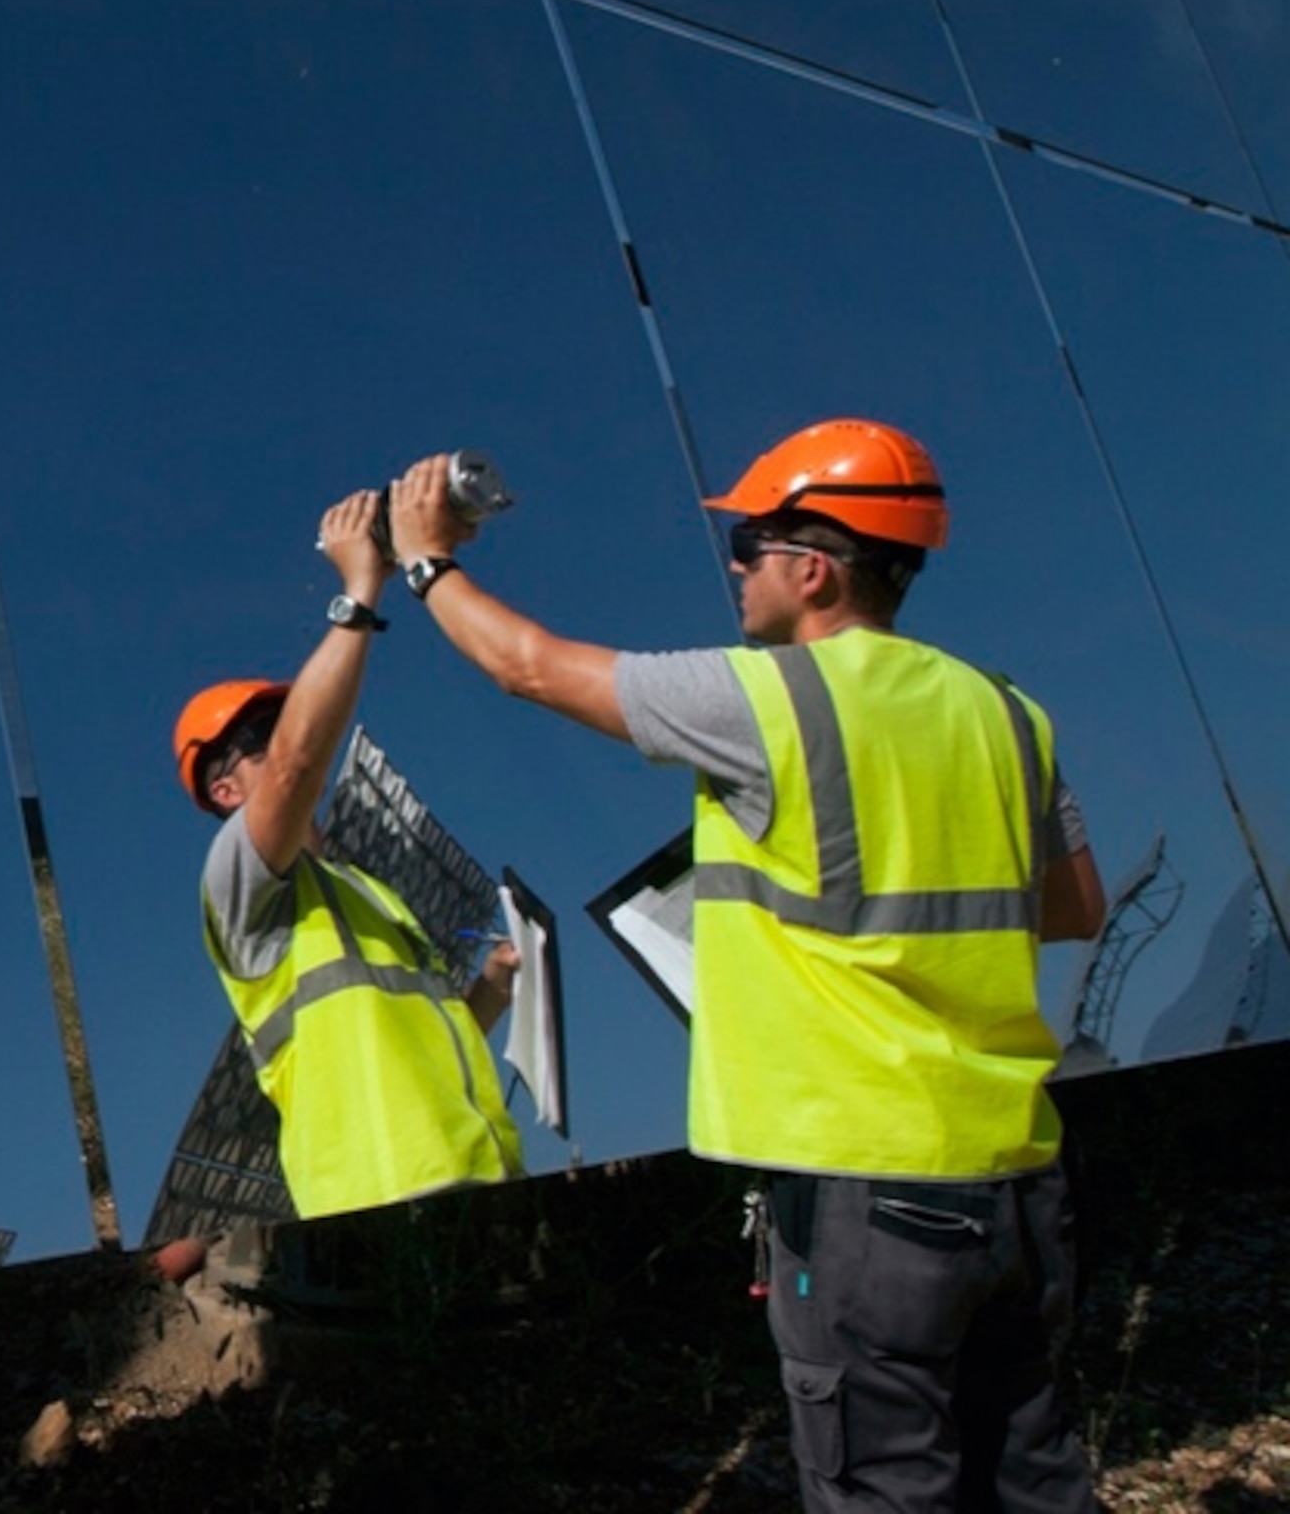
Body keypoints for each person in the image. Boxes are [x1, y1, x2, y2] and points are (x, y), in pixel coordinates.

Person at [384, 420, 1109, 1513]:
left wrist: (425, 561)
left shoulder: (766, 699)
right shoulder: (1012, 714)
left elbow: (526, 666)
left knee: (887, 1490)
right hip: (1020, 1180)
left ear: (814, 569)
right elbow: (1073, 907)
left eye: (752, 545)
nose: (735, 565)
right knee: (1035, 1479)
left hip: (867, 1195)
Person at [174, 487, 524, 1223]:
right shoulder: (237, 884)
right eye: (262, 737)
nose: (294, 734)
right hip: (383, 1200)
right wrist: (361, 589)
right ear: (224, 787)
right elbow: (301, 762)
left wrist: (492, 986)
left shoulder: (366, 893)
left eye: (286, 721)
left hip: (482, 1178)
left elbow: (428, 1032)